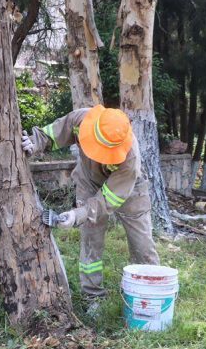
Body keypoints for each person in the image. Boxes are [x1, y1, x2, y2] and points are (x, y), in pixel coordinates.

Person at [21, 105, 160, 314]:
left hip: (129, 191)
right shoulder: (81, 119)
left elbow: (106, 200)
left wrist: (79, 214)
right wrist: (33, 143)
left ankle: (152, 293)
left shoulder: (130, 159)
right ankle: (93, 297)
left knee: (143, 245)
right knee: (91, 242)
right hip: (88, 183)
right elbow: (52, 133)